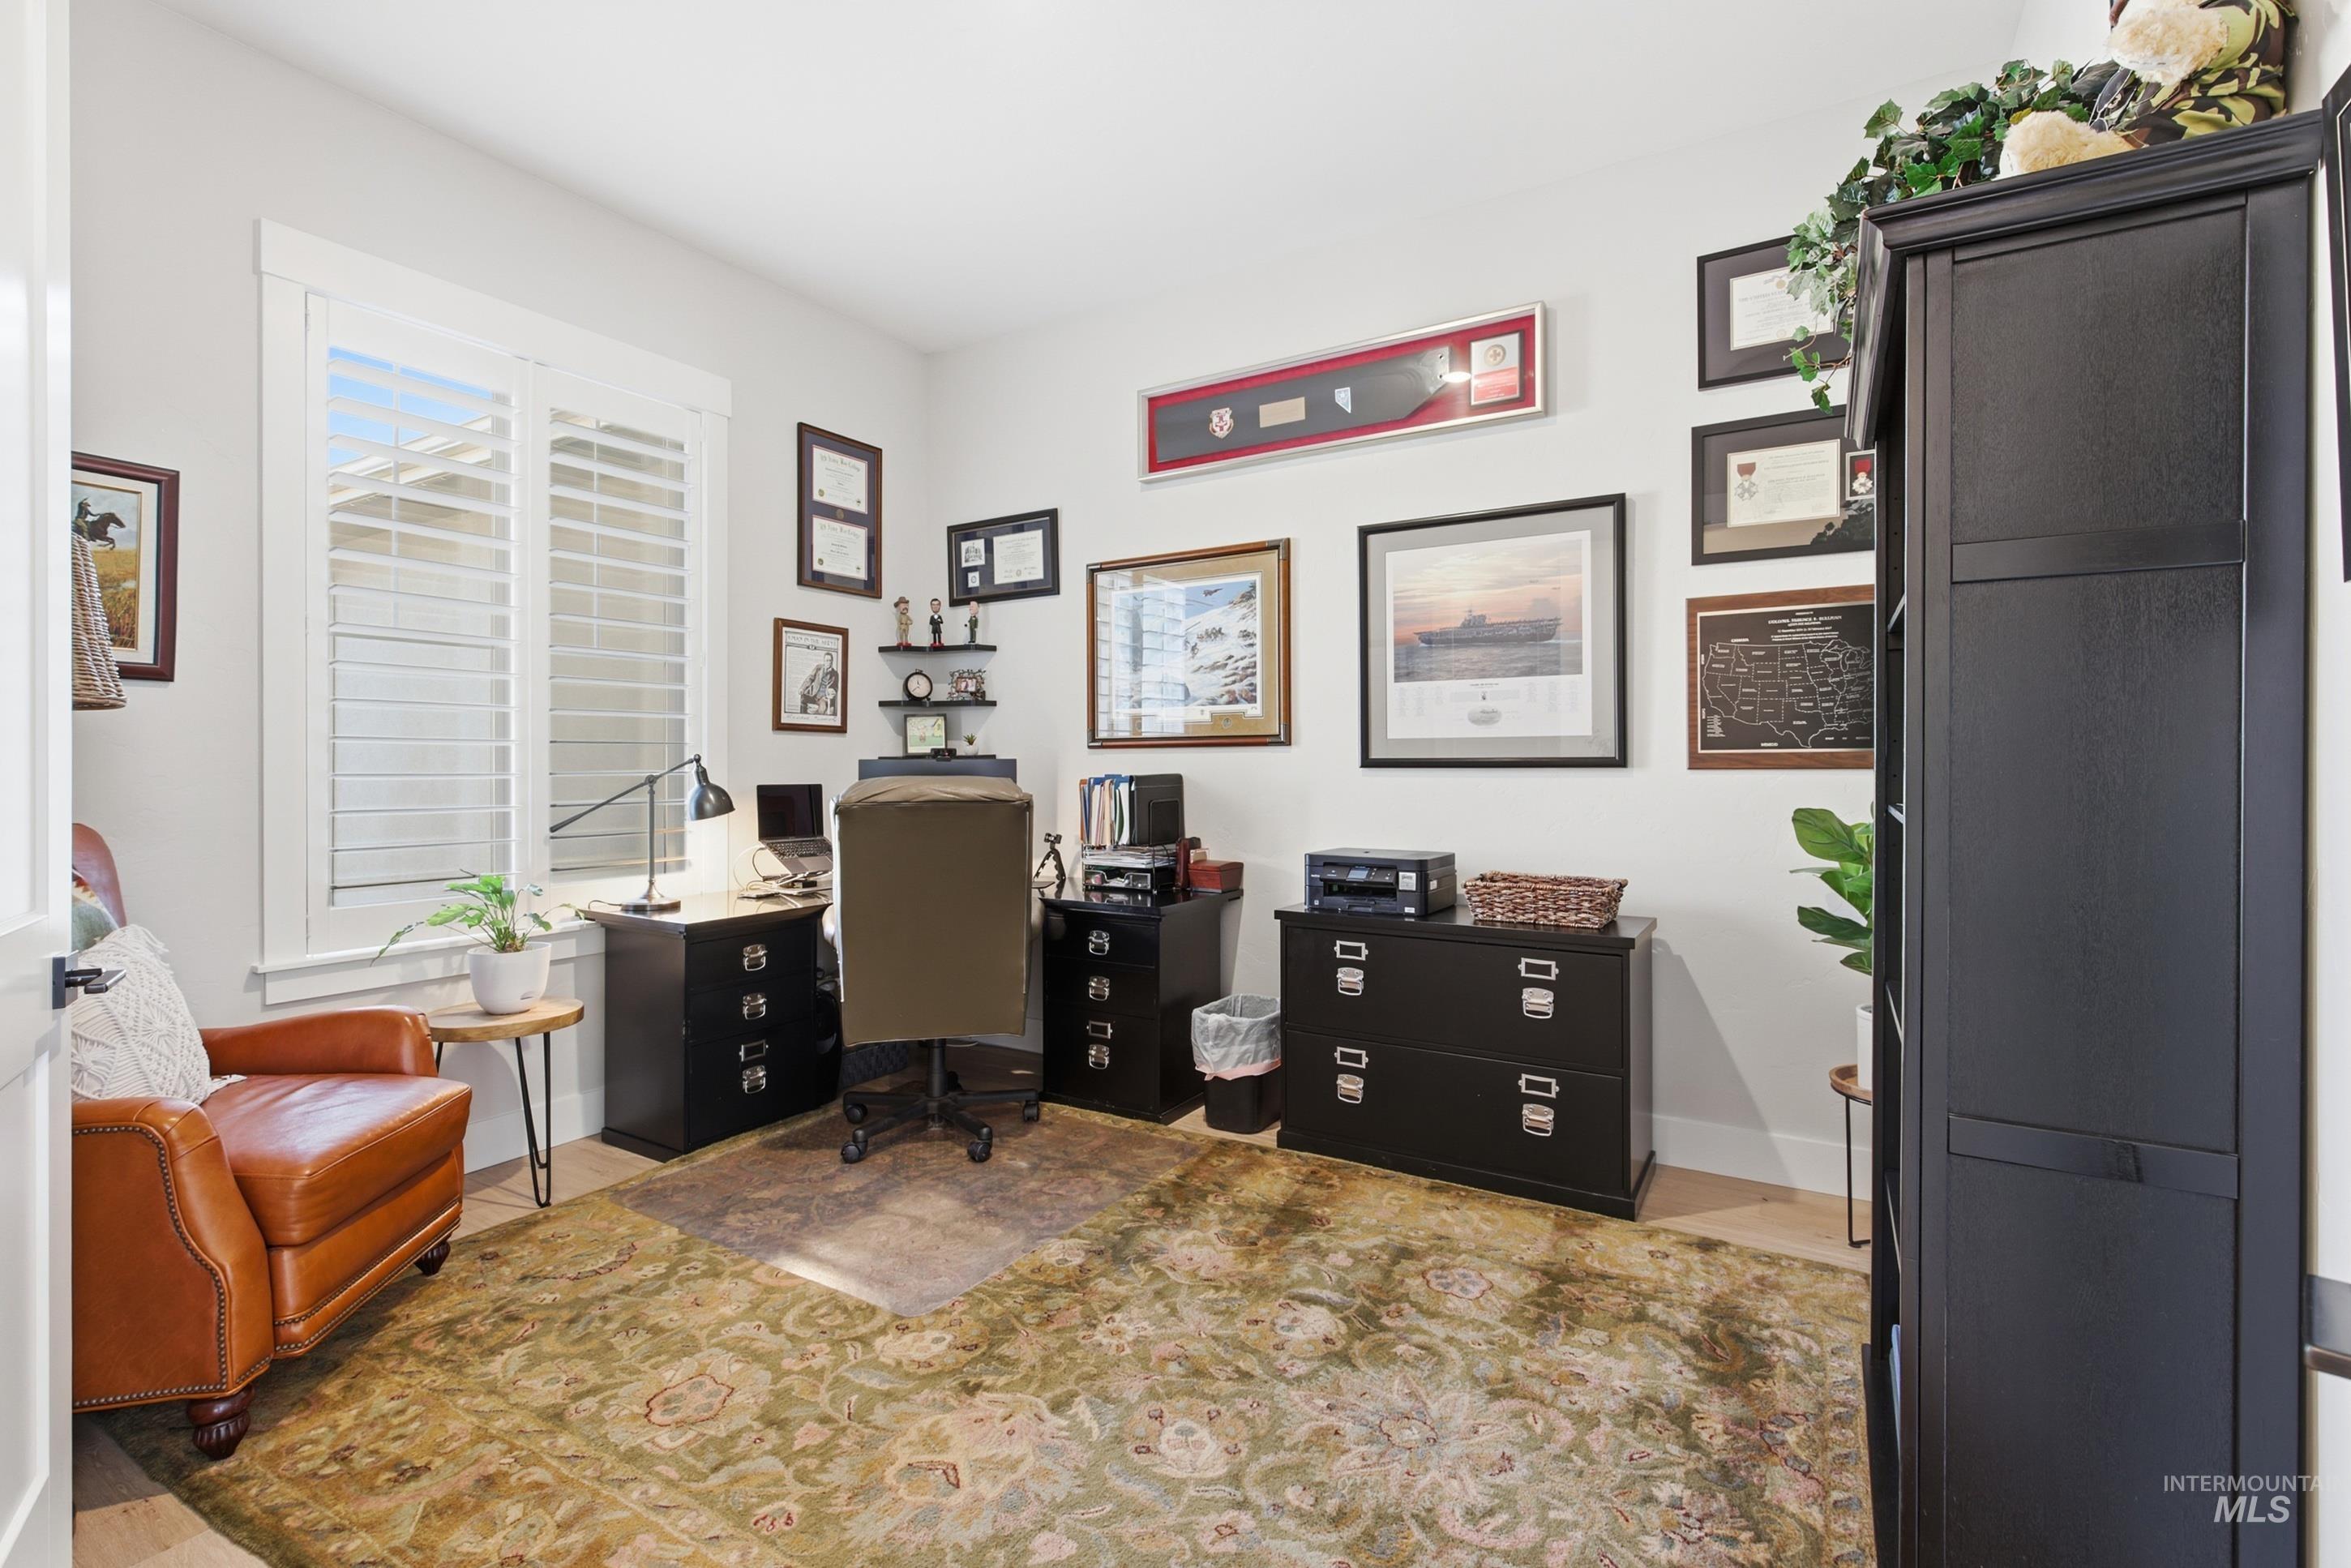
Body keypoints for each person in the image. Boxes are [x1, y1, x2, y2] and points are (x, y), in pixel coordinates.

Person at [798, 651, 838, 716]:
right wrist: (802, 688)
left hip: (824, 698)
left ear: (832, 662)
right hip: (814, 695)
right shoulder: (818, 668)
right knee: (803, 698)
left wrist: (832, 691)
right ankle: (802, 717)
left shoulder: (835, 674)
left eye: (830, 661)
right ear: (824, 661)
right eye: (827, 660)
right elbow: (810, 678)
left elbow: (836, 687)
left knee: (822, 709)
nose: (828, 662)